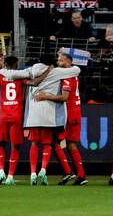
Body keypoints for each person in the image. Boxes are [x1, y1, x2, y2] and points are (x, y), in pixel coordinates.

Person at [0, 55, 81, 185]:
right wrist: (67, 65)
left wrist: (1, 70)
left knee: (34, 144)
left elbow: (13, 73)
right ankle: (43, 170)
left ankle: (32, 174)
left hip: (33, 114)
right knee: (47, 144)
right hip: (49, 114)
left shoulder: (31, 70)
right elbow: (77, 70)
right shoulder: (57, 71)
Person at [36, 53, 88, 186]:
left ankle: (73, 173)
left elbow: (64, 97)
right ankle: (75, 174)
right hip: (75, 112)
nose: (59, 62)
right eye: (58, 60)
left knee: (58, 143)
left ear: (69, 62)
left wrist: (45, 96)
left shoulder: (66, 76)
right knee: (66, 143)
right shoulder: (72, 75)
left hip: (69, 114)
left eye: (61, 60)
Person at [0, 56, 25, 186]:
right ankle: (10, 176)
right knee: (16, 147)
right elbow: (33, 82)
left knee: (1, 144)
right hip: (16, 116)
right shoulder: (21, 77)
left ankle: (1, 171)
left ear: (5, 64)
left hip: (4, 116)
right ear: (15, 64)